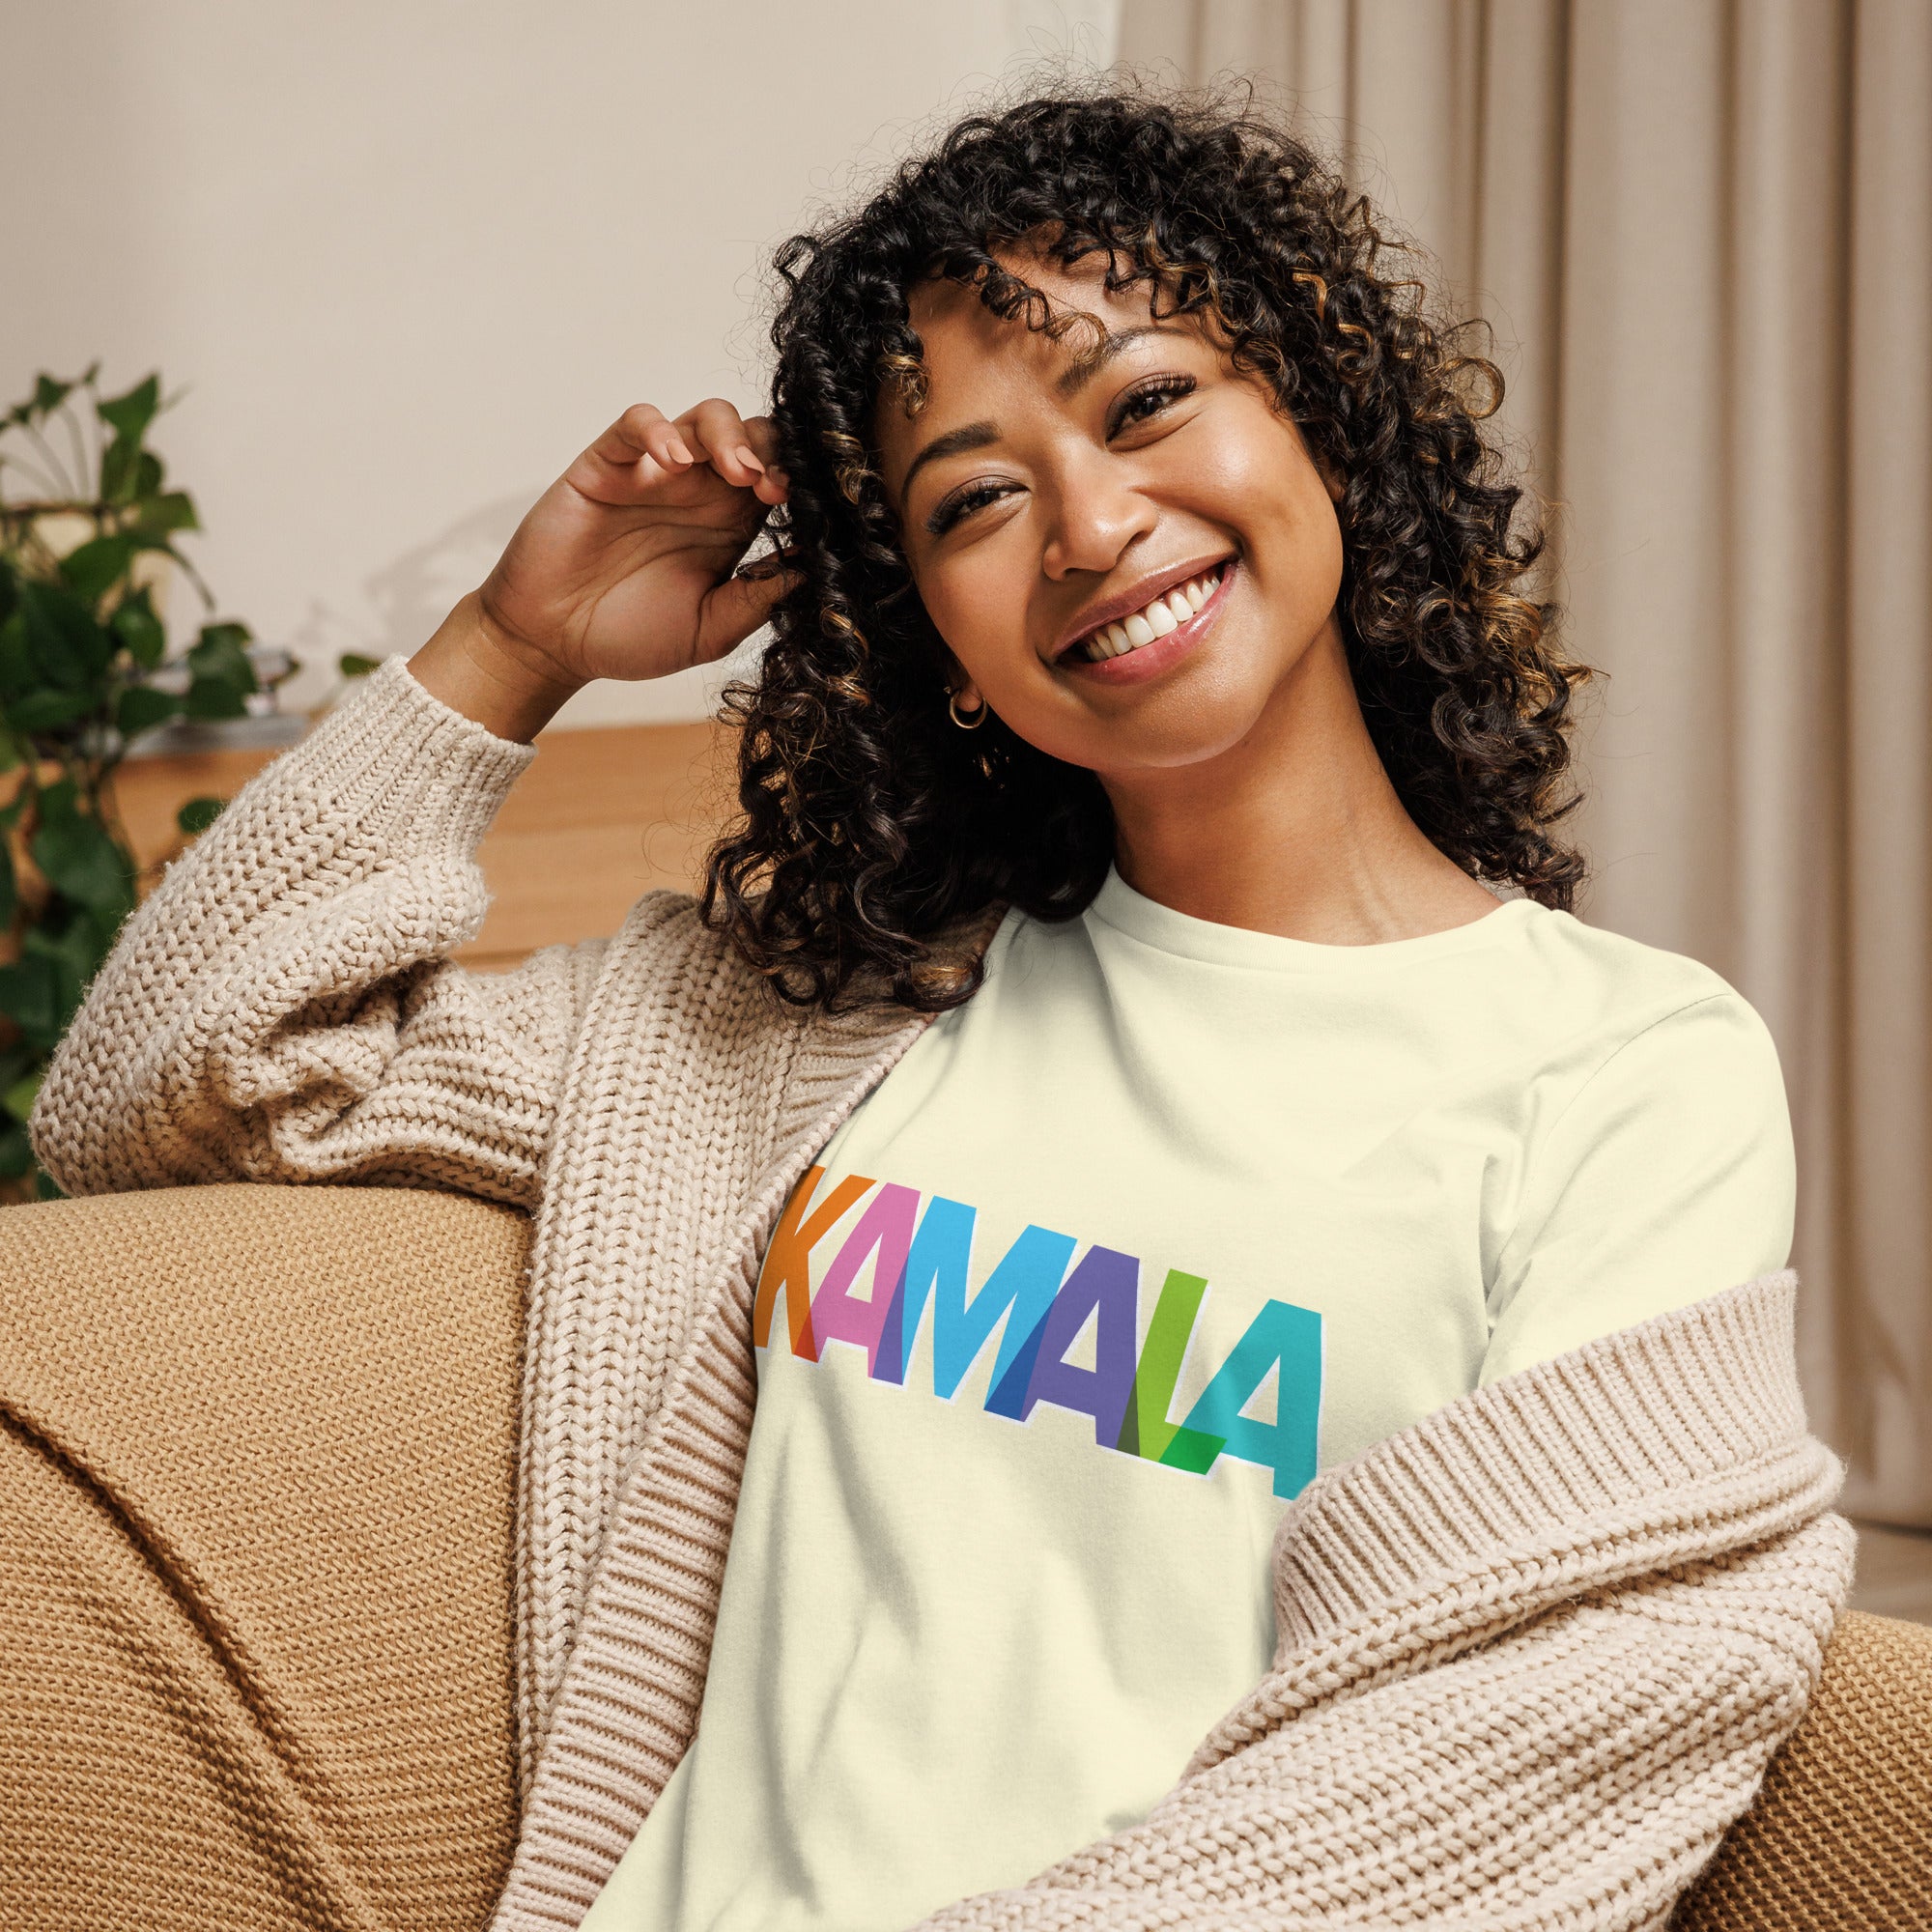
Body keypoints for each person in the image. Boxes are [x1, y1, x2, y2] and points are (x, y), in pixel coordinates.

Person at [26, 87, 1849, 1932]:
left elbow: (1528, 1738)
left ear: (1322, 424)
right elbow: (174, 1089)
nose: (1087, 522)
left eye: (1147, 404)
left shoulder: (1624, 1069)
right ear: (938, 640)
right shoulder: (804, 1028)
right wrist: (510, 649)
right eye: (975, 496)